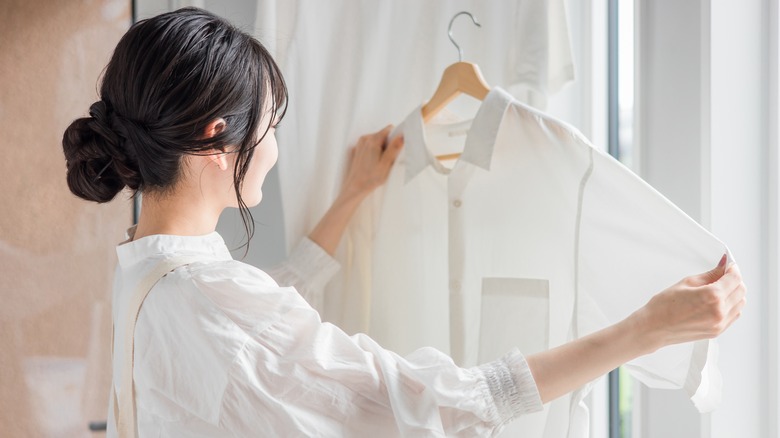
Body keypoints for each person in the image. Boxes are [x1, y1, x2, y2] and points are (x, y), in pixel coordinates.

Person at [61, 7, 746, 437]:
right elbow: (433, 403)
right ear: (217, 141)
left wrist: (350, 198)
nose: (276, 147)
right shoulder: (211, 299)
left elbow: (269, 315)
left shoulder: (147, 271)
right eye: (272, 126)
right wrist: (642, 330)